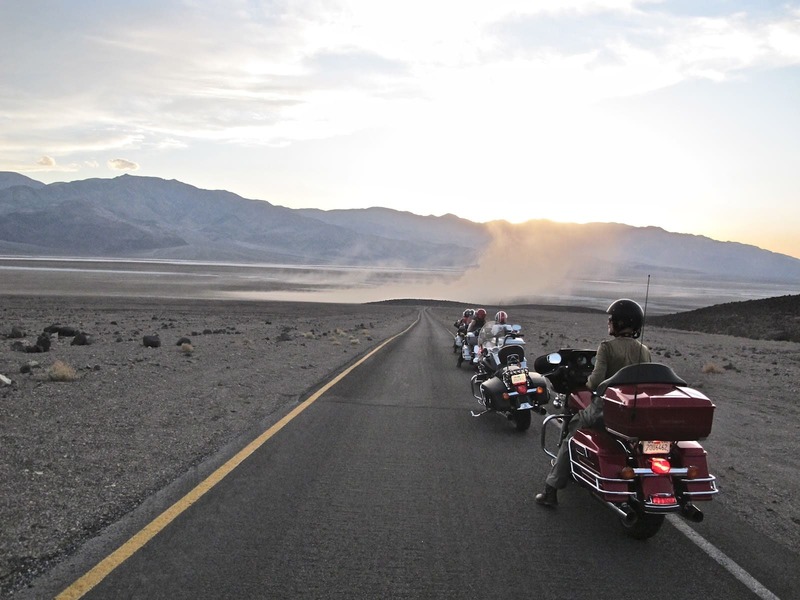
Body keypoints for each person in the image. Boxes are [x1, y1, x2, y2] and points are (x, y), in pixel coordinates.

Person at [535, 298, 652, 507]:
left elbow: (596, 381)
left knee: (571, 434)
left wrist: (588, 382)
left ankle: (551, 490)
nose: (609, 323)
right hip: (634, 412)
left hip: (605, 409)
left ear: (619, 323)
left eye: (612, 319)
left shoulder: (607, 347)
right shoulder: (644, 350)